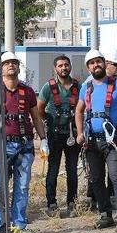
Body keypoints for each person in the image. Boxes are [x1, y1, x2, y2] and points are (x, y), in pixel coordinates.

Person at [0, 52, 48, 233]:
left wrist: (43, 139)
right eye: (7, 63)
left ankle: (19, 225)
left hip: (24, 145)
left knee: (22, 187)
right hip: (2, 145)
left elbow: (35, 117)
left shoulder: (28, 91)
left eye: (14, 63)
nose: (11, 66)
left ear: (18, 66)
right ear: (1, 68)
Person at [75, 49, 117, 233]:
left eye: (99, 61)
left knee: (116, 177)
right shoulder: (86, 88)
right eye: (92, 63)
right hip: (92, 142)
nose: (96, 65)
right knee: (95, 179)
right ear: (88, 68)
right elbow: (79, 111)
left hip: (113, 142)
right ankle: (105, 215)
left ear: (104, 63)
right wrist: (79, 133)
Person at [36, 54, 81, 219]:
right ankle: (52, 203)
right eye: (60, 65)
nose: (64, 68)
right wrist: (48, 119)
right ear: (55, 68)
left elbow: (82, 107)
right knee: (53, 170)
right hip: (54, 135)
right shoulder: (49, 87)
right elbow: (40, 107)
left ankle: (72, 202)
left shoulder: (77, 86)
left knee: (72, 170)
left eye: (66, 65)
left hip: (72, 134)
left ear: (70, 67)